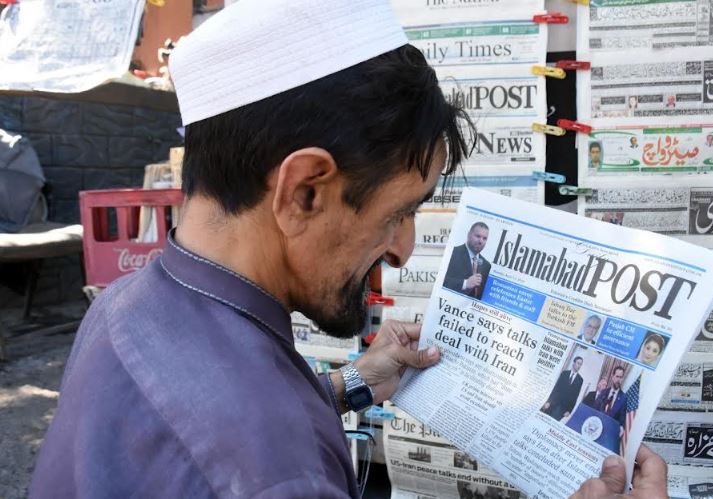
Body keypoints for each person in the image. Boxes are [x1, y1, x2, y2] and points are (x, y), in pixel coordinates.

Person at [30, 2, 668, 498]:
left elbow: (202, 417)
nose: (403, 251)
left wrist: (350, 385)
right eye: (396, 214)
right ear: (303, 192)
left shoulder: (124, 304)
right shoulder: (283, 474)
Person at [443, 222, 491, 298]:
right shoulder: (452, 253)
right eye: (478, 236)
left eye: (484, 238)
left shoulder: (486, 265)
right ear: (469, 235)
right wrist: (465, 283)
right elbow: (441, 281)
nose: (481, 241)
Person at [542, 356, 584, 420]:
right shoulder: (564, 373)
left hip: (562, 409)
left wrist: (569, 410)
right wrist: (549, 401)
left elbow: (575, 396)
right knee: (544, 418)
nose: (579, 366)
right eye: (578, 363)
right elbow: (556, 388)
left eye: (580, 364)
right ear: (574, 363)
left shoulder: (580, 380)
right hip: (553, 403)